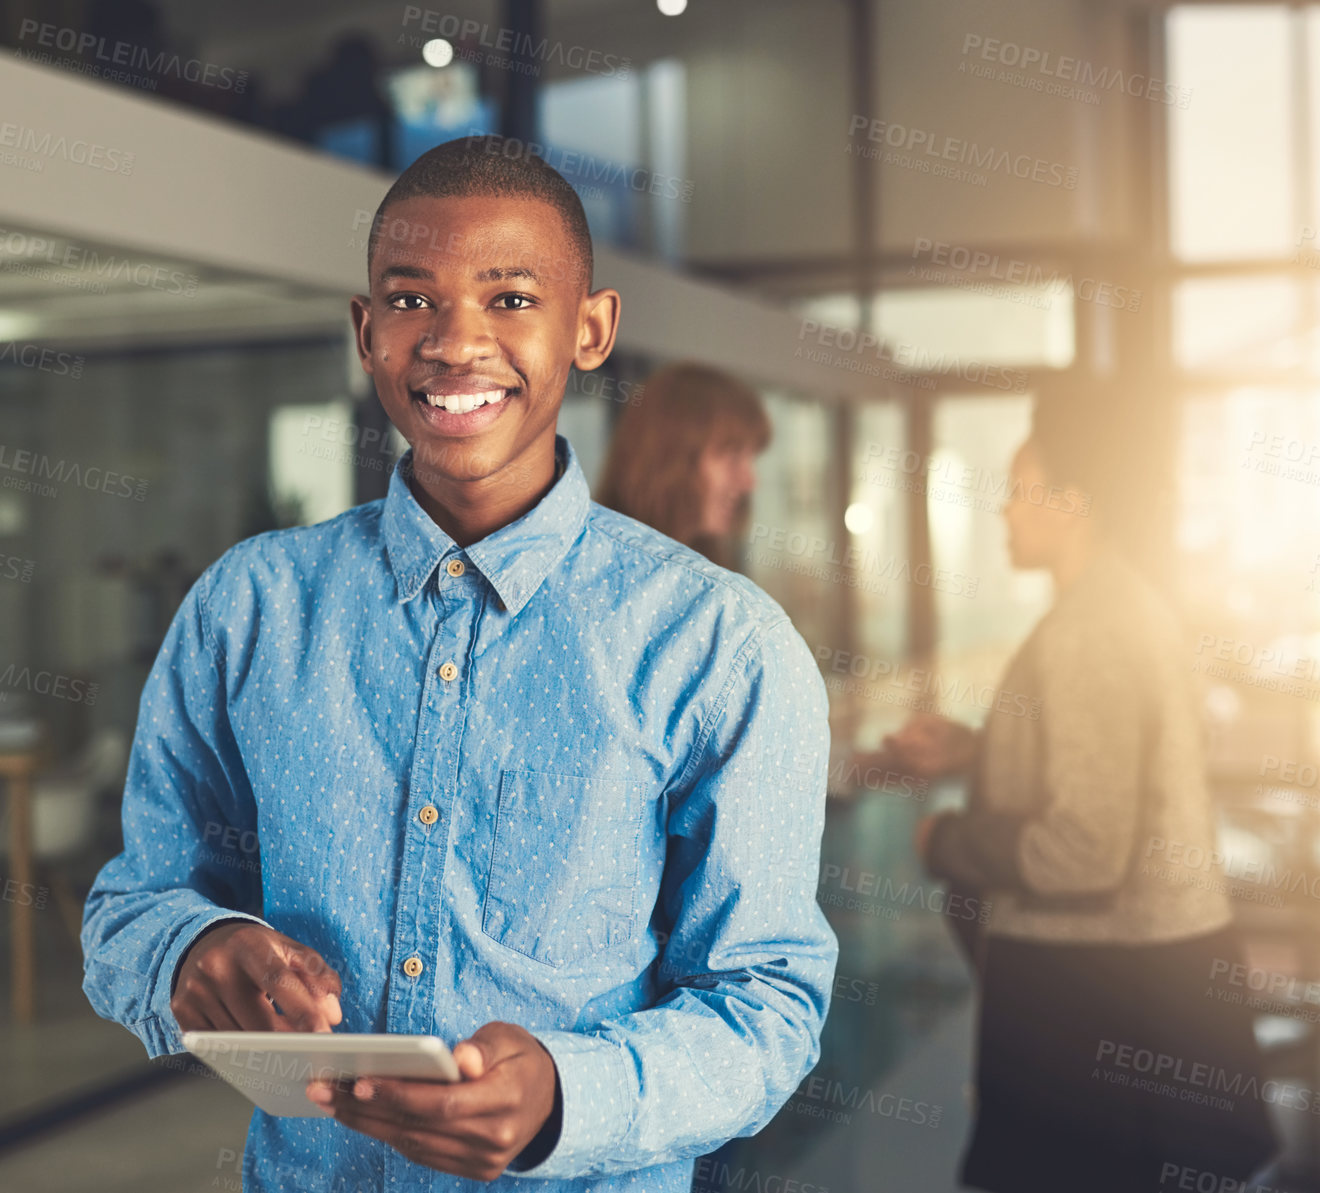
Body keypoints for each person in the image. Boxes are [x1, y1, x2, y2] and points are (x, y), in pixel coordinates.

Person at [80, 136, 837, 1192]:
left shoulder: (718, 645)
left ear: (591, 329)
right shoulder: (247, 607)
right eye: (410, 299)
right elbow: (132, 902)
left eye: (512, 298)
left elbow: (768, 1005)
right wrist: (192, 949)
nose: (454, 342)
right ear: (365, 330)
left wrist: (571, 1095)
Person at [874, 377, 1280, 1191]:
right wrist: (977, 749)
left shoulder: (1091, 629)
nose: (1006, 511)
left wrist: (945, 841)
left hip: (1102, 1005)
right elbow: (1107, 768)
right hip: (1135, 990)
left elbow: (1087, 850)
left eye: (1023, 491)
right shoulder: (1119, 604)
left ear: (1075, 502)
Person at [594, 363, 770, 571]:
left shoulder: (706, 568)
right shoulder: (601, 564)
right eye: (732, 457)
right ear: (669, 456)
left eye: (751, 458)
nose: (749, 482)